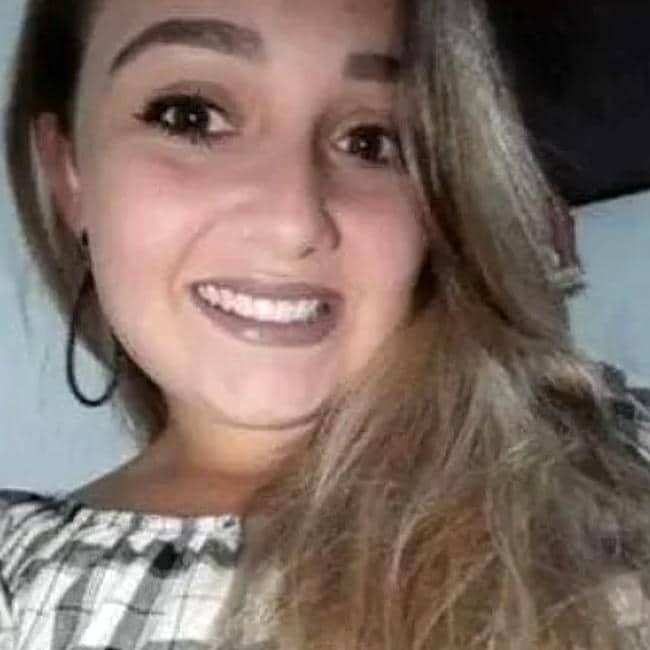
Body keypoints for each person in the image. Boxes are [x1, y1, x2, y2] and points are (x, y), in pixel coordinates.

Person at [1, 0, 650, 648]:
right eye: (190, 115)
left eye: (371, 141)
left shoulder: (605, 458)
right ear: (68, 173)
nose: (294, 221)